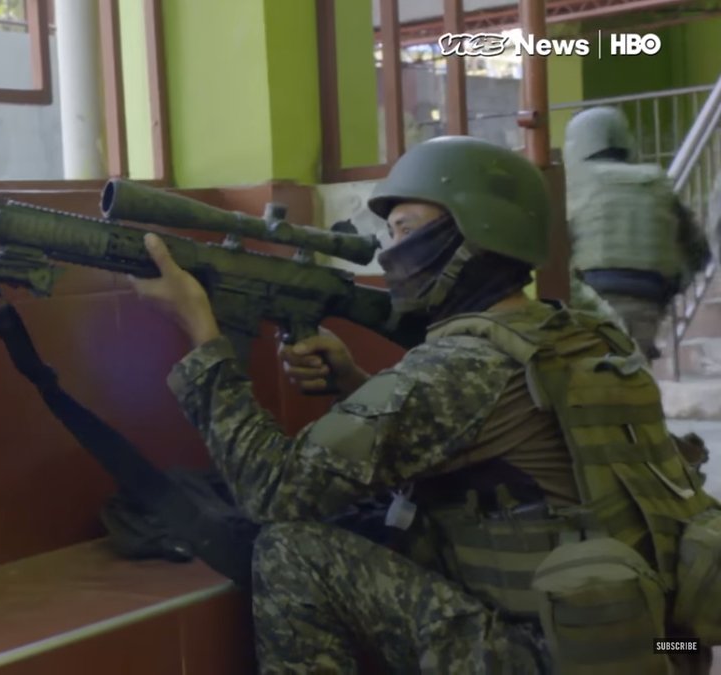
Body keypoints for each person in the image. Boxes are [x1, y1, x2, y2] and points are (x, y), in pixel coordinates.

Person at [128, 135, 719, 674]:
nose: (392, 252)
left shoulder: (461, 366)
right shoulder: (579, 335)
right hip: (658, 646)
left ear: (473, 235)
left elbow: (274, 491)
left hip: (544, 660)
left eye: (408, 230)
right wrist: (355, 380)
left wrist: (201, 333)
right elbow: (486, 446)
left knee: (292, 553)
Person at [564, 105, 712, 360]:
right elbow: (698, 251)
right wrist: (671, 287)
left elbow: (555, 247)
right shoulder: (656, 181)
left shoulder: (573, 183)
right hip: (648, 298)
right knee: (633, 376)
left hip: (589, 299)